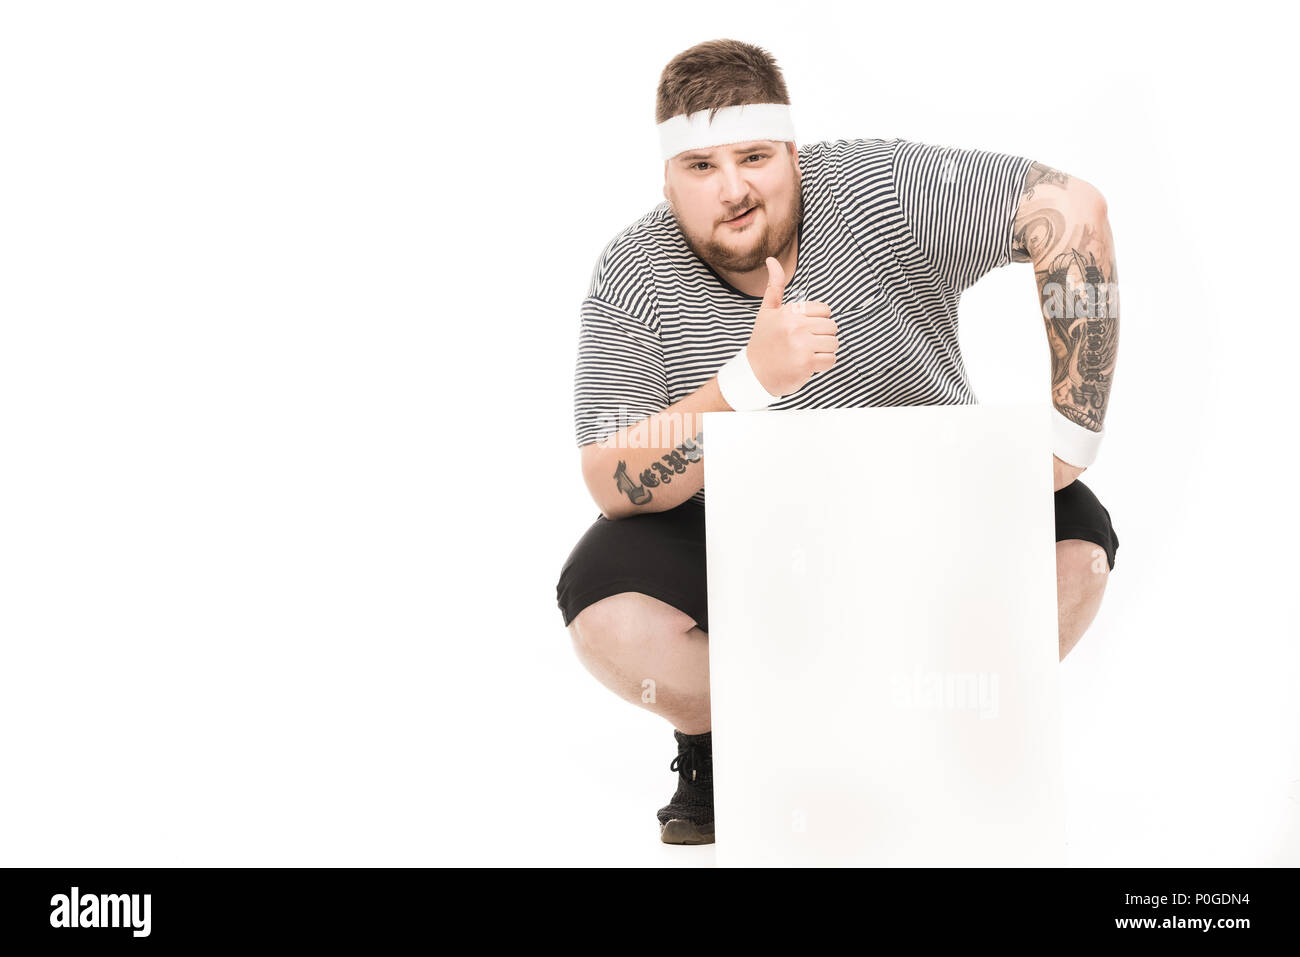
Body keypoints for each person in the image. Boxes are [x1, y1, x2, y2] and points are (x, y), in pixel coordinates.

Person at [555, 39, 1120, 846]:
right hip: (746, 544)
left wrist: (1070, 437)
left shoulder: (876, 189)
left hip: (921, 508)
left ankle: (918, 727)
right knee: (607, 604)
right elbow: (610, 480)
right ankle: (731, 738)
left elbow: (1072, 209)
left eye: (753, 156)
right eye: (701, 166)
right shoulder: (632, 273)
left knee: (1077, 555)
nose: (735, 187)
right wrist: (746, 382)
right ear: (667, 179)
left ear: (793, 152)